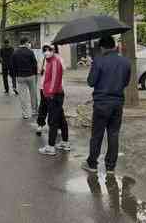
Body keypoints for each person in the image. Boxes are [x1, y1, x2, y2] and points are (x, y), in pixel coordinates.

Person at [82, 35, 131, 174]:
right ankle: (110, 166)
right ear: (114, 46)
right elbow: (126, 82)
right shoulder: (125, 62)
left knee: (97, 134)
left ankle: (92, 163)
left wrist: (93, 67)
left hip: (101, 103)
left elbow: (91, 82)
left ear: (102, 47)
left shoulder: (98, 61)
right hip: (117, 103)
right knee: (113, 134)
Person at [38, 44, 70, 156]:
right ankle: (65, 142)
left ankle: (51, 147)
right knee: (60, 118)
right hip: (53, 94)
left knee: (53, 120)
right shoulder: (49, 61)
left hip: (54, 95)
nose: (46, 52)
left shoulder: (55, 61)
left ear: (54, 50)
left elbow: (55, 80)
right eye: (45, 50)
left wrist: (50, 93)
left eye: (49, 50)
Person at [11, 37, 38, 119]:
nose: (29, 44)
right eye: (28, 42)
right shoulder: (30, 52)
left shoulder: (15, 53)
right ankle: (34, 111)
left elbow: (13, 66)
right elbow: (34, 64)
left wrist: (15, 76)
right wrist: (35, 74)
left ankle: (25, 113)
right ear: (26, 43)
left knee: (23, 96)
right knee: (33, 94)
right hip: (30, 76)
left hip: (20, 77)